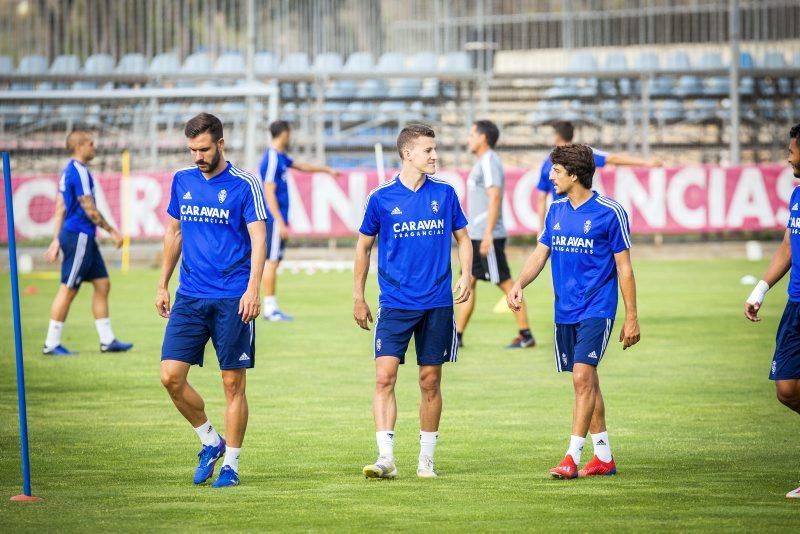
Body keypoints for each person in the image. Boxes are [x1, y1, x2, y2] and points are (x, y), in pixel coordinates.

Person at [508, 143, 640, 479]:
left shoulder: (610, 212)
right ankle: (604, 458)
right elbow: (540, 254)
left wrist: (632, 317)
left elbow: (624, 268)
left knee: (582, 377)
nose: (550, 176)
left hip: (597, 307)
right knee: (587, 381)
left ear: (575, 174)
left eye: (556, 171)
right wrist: (519, 283)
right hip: (564, 310)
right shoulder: (555, 210)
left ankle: (571, 457)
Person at [353, 124, 472, 479]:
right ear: (408, 154)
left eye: (435, 150)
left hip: (437, 302)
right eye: (428, 150)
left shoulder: (446, 194)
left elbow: (464, 238)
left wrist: (466, 273)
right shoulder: (381, 198)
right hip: (395, 302)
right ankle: (386, 458)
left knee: (430, 380)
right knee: (384, 376)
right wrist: (358, 296)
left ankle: (426, 459)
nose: (434, 156)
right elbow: (362, 246)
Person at [156, 113, 267, 488]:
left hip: (233, 298)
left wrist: (253, 289)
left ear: (221, 143)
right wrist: (162, 283)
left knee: (232, 383)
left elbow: (259, 240)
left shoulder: (245, 184)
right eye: (192, 150)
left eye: (203, 149)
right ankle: (210, 440)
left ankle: (232, 465)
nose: (197, 156)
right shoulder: (182, 180)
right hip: (190, 296)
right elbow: (174, 233)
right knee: (170, 377)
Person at [744, 123, 800, 499]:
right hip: (795, 305)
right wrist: (761, 287)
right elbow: (787, 243)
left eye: (792, 149)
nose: (788, 156)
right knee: (787, 389)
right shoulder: (797, 194)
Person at [42, 130, 132, 355]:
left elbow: (60, 207)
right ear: (80, 146)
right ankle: (51, 344)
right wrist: (112, 231)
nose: (94, 147)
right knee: (68, 288)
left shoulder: (68, 172)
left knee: (102, 284)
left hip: (81, 237)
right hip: (79, 236)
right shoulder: (79, 172)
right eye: (91, 144)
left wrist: (55, 239)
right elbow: (89, 208)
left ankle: (107, 340)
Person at [456, 120, 536, 349]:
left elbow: (495, 197)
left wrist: (488, 234)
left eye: (471, 134)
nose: (468, 139)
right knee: (467, 281)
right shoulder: (483, 162)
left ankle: (526, 334)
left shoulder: (490, 161)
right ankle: (457, 336)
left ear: (483, 138)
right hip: (478, 234)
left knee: (505, 282)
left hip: (485, 235)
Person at [258, 120, 339, 321]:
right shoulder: (272, 158)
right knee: (271, 261)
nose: (290, 137)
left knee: (274, 261)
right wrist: (279, 221)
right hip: (274, 219)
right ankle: (269, 308)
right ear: (284, 133)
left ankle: (271, 306)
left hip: (278, 219)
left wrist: (325, 169)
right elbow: (268, 190)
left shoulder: (280, 157)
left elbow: (301, 165)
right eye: (289, 133)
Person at [536, 120, 661, 232]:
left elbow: (541, 198)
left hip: (560, 218)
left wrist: (540, 230)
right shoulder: (583, 154)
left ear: (557, 136)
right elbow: (613, 159)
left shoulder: (547, 163)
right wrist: (646, 163)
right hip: (587, 215)